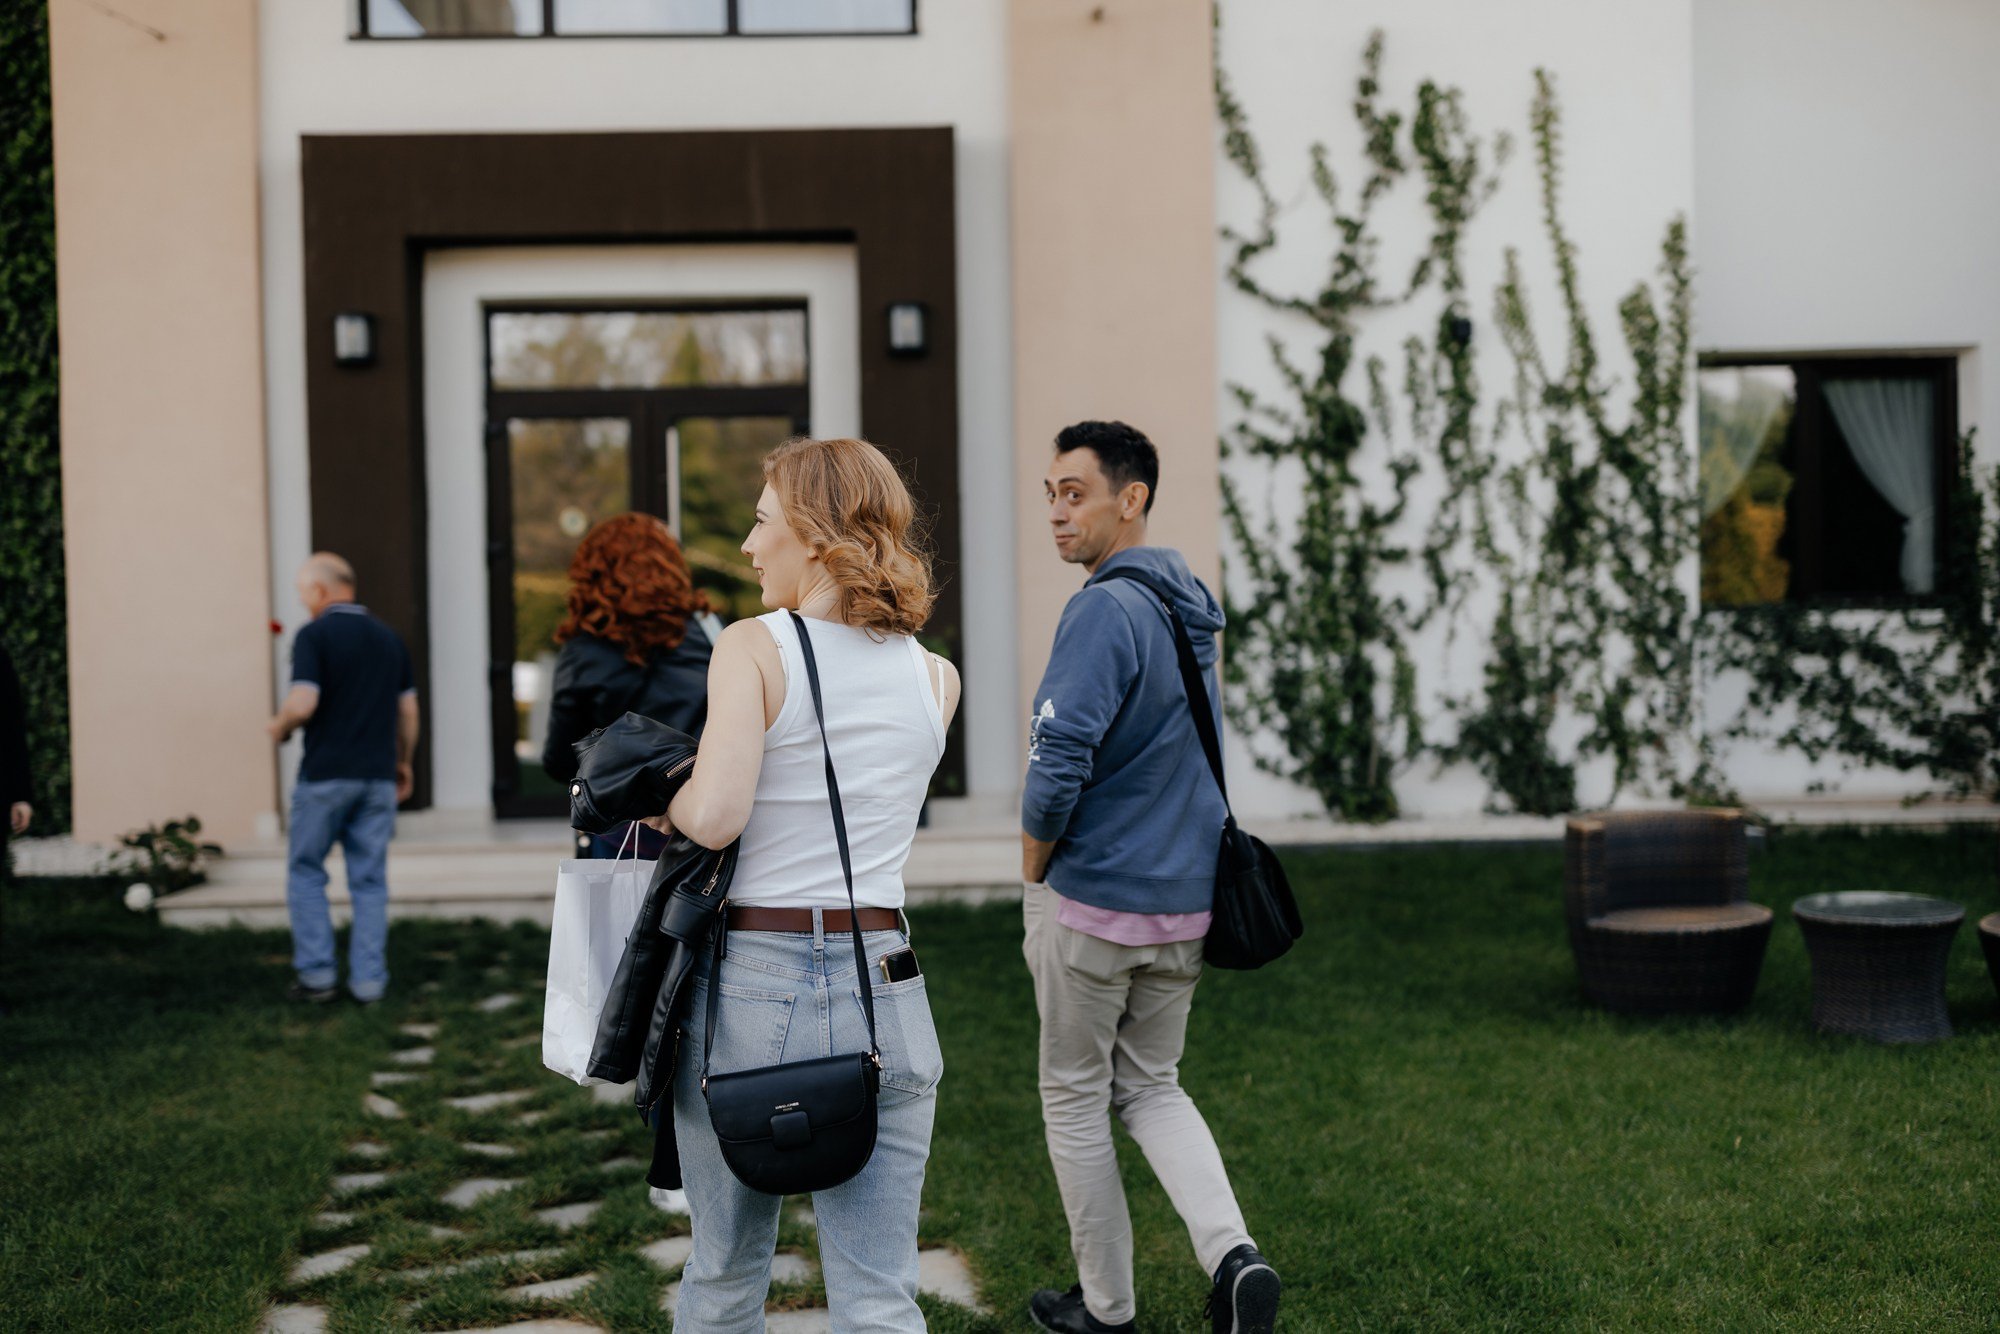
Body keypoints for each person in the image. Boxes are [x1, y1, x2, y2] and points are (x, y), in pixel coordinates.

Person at [646, 436, 959, 1332]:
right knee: (879, 1292)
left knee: (725, 1273)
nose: (747, 545)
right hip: (887, 979)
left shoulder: (753, 647)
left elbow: (716, 815)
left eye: (761, 521)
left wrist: (664, 788)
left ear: (815, 537)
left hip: (757, 981)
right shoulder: (935, 677)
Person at [1020, 421, 1281, 1334]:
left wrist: (1032, 873)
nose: (1057, 511)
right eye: (1050, 491)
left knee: (1075, 1095)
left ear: (1130, 499)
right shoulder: (1186, 604)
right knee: (1154, 1087)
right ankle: (1234, 1258)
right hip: (1183, 904)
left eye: (1075, 492)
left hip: (1094, 905)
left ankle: (1109, 1311)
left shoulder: (1103, 609)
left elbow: (1057, 763)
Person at [268, 553, 418, 1005]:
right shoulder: (389, 638)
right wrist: (404, 762)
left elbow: (303, 703)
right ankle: (369, 983)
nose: (303, 602)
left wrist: (278, 728)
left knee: (306, 872)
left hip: (325, 778)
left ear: (320, 591)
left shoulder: (314, 636)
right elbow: (408, 711)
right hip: (376, 778)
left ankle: (317, 978)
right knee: (369, 881)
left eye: (303, 593)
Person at [541, 512, 721, 859]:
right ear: (668, 564)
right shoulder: (709, 630)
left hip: (620, 830)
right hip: (702, 824)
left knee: (617, 912)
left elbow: (559, 759)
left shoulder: (584, 648)